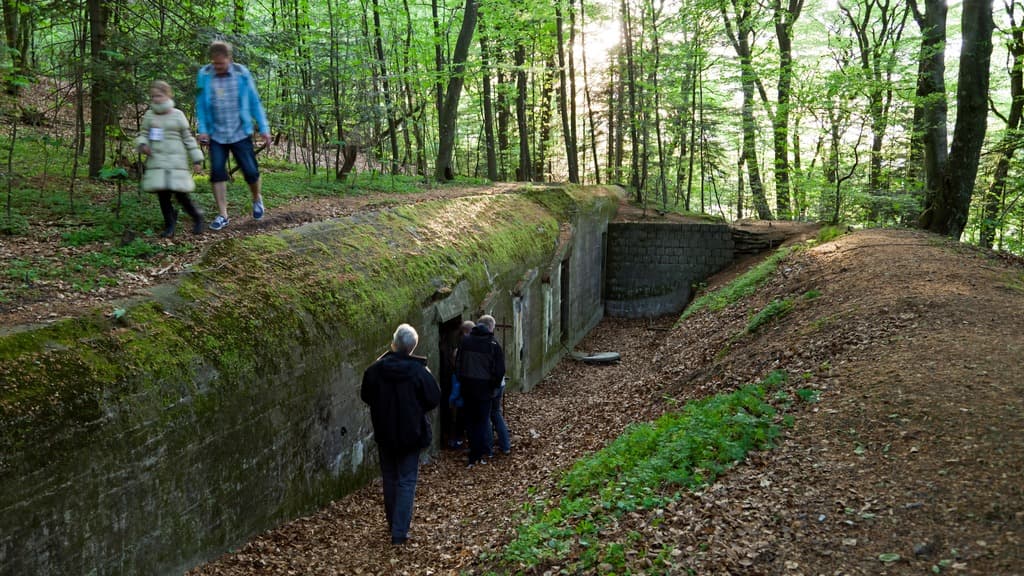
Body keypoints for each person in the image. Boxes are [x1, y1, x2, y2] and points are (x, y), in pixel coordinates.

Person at [360, 323, 440, 545]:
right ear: (412, 347)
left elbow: (366, 395)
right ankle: (399, 531)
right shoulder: (419, 371)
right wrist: (416, 407)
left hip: (384, 431)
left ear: (394, 343)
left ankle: (393, 524)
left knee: (390, 478)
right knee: (406, 480)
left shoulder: (375, 370)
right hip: (411, 432)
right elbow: (434, 398)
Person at [195, 40, 271, 231]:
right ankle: (223, 215)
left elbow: (254, 102)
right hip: (216, 134)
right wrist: (203, 129)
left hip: (240, 132)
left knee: (251, 172)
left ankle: (256, 198)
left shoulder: (241, 74)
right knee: (217, 173)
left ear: (229, 58)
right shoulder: (204, 75)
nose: (218, 67)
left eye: (221, 63)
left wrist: (264, 127)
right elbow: (201, 105)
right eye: (215, 63)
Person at [136, 80, 204, 237]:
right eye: (153, 96)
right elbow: (143, 134)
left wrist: (196, 160)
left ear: (168, 95)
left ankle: (197, 217)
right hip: (157, 162)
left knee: (181, 195)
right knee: (163, 195)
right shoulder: (149, 115)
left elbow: (188, 138)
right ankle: (170, 225)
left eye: (159, 96)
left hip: (176, 163)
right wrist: (143, 145)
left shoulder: (178, 115)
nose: (156, 99)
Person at [455, 315, 506, 467]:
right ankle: (482, 453)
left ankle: (473, 454)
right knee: (483, 421)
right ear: (489, 329)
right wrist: (493, 386)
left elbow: (458, 364)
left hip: (468, 388)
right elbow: (500, 370)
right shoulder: (493, 344)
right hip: (485, 390)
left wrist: (462, 381)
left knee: (471, 421)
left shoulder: (465, 342)